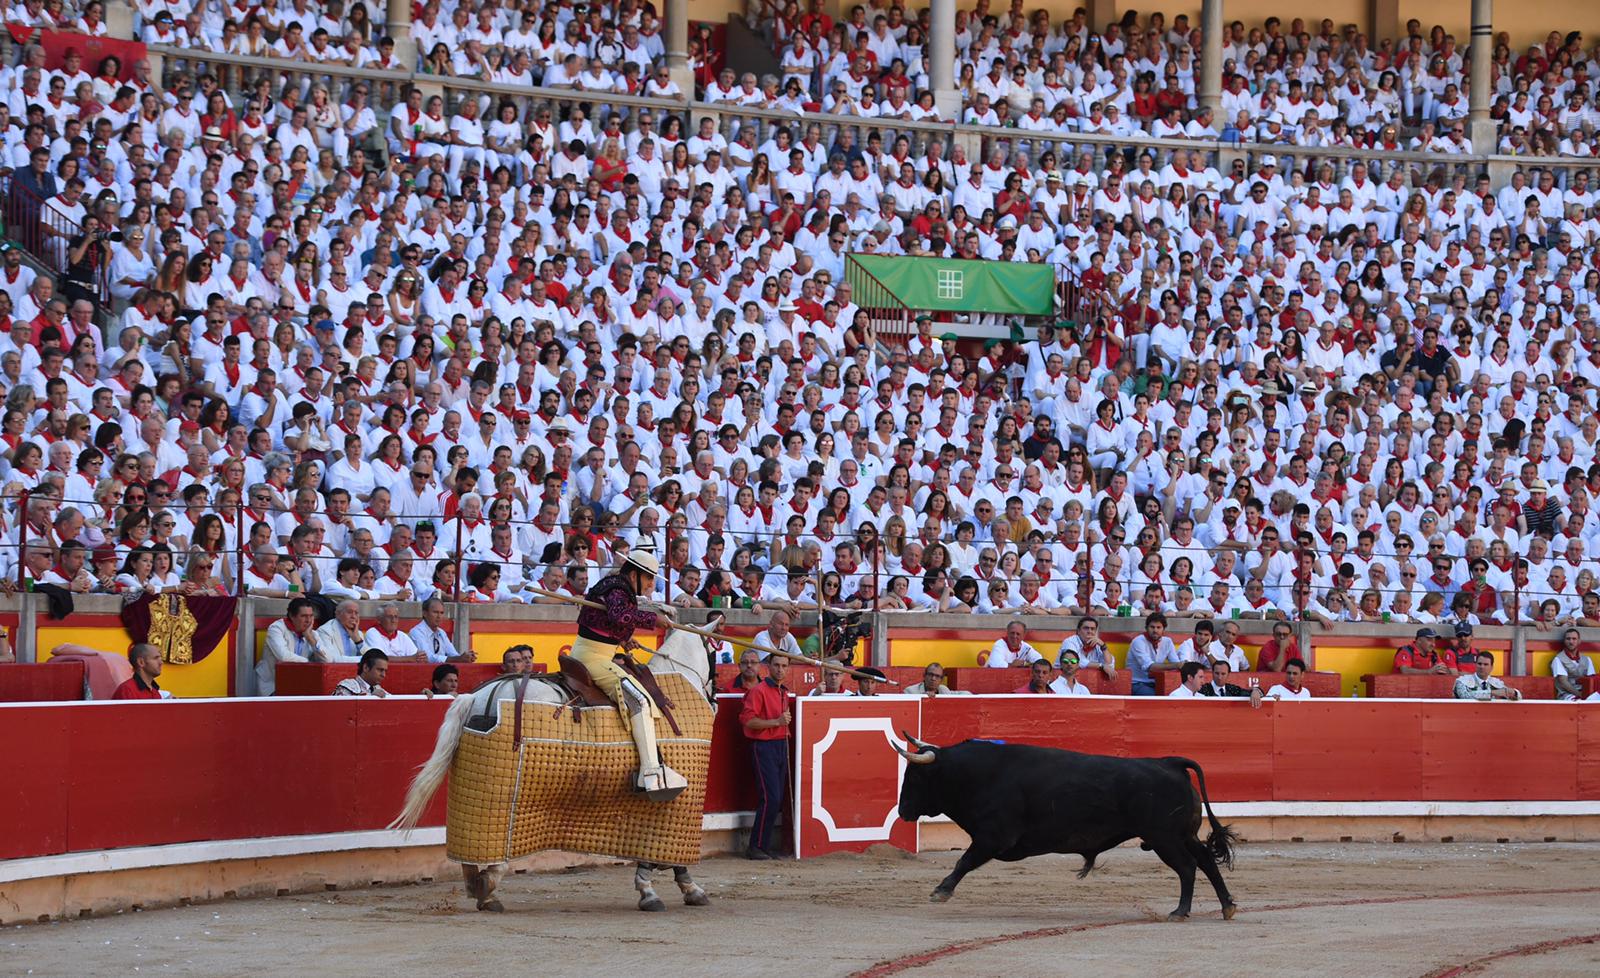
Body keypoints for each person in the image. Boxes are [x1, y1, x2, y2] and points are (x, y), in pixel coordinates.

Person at [572, 550, 686, 800]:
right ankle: (650, 773)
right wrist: (653, 619)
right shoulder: (617, 589)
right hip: (592, 658)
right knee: (640, 701)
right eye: (648, 579)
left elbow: (605, 622)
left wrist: (624, 638)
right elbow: (618, 614)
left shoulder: (616, 585)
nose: (649, 586)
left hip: (595, 652)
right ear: (634, 574)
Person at [739, 653, 790, 860]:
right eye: (776, 665)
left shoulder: (783, 692)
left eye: (784, 666)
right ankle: (756, 847)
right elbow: (748, 721)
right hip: (764, 747)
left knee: (775, 799)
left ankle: (764, 846)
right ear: (768, 666)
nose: (780, 669)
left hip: (780, 745)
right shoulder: (758, 691)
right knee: (771, 798)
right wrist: (776, 723)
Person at [258, 597, 331, 695]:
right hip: (272, 685)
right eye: (304, 616)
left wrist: (310, 639)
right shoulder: (276, 628)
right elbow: (284, 656)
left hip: (299, 685)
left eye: (311, 616)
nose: (308, 620)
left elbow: (327, 660)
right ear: (292, 616)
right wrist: (310, 664)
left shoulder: (312, 634)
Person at [411, 597, 473, 662]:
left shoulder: (441, 632)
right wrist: (458, 658)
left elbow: (453, 654)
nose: (439, 616)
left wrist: (465, 658)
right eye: (435, 612)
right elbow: (428, 658)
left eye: (441, 613)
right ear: (425, 613)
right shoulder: (416, 632)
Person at [1126, 612, 1176, 695]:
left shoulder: (1168, 641)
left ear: (1164, 629)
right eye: (1152, 627)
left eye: (1158, 627)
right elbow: (1150, 667)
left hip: (1159, 683)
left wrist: (1179, 665)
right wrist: (1176, 665)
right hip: (1137, 683)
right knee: (1157, 699)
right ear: (1146, 628)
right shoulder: (1138, 641)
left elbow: (1176, 663)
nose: (1155, 630)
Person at [1453, 651, 1521, 701]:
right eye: (1479, 664)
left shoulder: (1496, 683)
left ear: (1491, 667)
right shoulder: (1462, 681)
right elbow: (1465, 696)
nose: (1482, 667)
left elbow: (1518, 696)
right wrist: (1491, 693)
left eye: (1485, 664)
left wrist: (1514, 693)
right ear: (1475, 665)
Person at [1199, 658, 1265, 708]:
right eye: (1217, 673)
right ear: (1212, 673)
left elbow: (1253, 692)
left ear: (1228, 675)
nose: (1219, 677)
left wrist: (1256, 690)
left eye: (1223, 674)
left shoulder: (1232, 689)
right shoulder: (1203, 689)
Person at [1551, 628, 1596, 701]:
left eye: (1574, 639)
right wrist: (1581, 695)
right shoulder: (1558, 659)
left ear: (1579, 641)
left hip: (1585, 694)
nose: (1571, 642)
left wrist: (1588, 695)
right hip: (1566, 696)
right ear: (1564, 641)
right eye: (1568, 639)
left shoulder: (1587, 659)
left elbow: (1591, 680)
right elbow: (1563, 682)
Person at [1393, 627, 1460, 675]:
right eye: (1429, 640)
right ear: (1419, 640)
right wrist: (1428, 672)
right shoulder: (1406, 651)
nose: (1433, 644)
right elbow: (1405, 671)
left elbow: (1444, 671)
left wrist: (1443, 671)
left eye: (1434, 641)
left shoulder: (1434, 654)